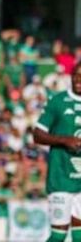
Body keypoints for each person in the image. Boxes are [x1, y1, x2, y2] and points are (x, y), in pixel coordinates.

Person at [33, 62, 81, 242]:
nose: (78, 79)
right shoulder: (58, 101)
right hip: (60, 177)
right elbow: (37, 135)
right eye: (76, 75)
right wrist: (64, 140)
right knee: (59, 235)